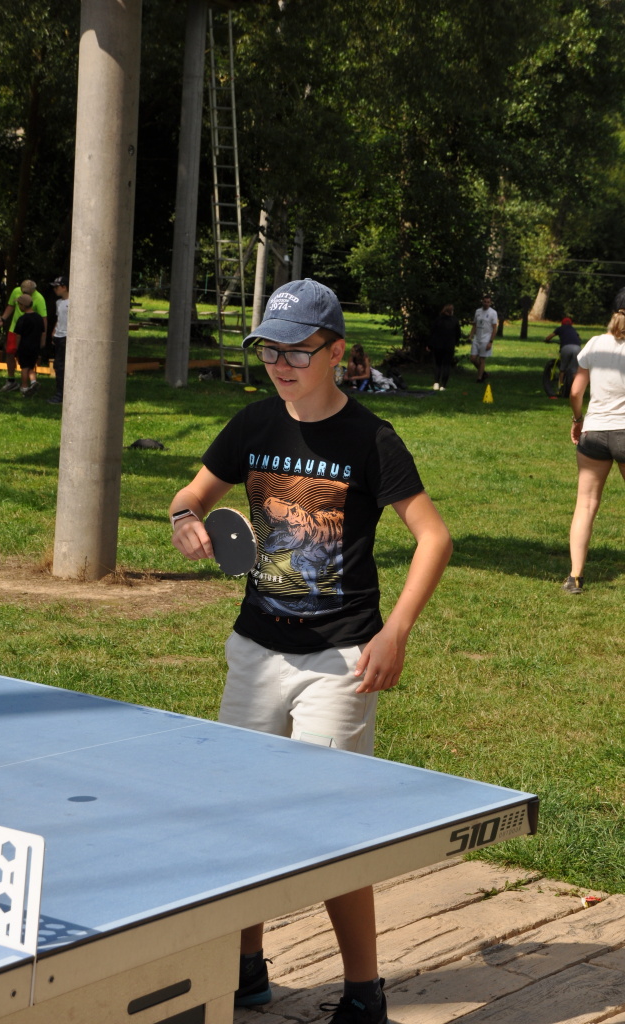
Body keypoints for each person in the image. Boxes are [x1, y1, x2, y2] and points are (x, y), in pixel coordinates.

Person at [169, 279, 452, 1024]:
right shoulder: (253, 422)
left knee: (330, 829)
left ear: (335, 352)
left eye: (297, 350)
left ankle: (364, 993)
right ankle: (246, 969)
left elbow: (434, 538)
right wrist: (184, 519)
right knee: (238, 814)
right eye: (270, 349)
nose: (281, 364)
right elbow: (190, 496)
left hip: (338, 662)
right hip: (254, 652)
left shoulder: (372, 439)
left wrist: (395, 632)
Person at [564, 307, 625, 594]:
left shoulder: (595, 343)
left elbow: (576, 392)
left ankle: (575, 577)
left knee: (586, 504)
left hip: (594, 432)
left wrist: (578, 420)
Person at [0, 280, 47, 392]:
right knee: (10, 354)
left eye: (28, 293)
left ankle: (25, 386)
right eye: (23, 292)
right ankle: (13, 381)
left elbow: (44, 319)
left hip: (28, 335)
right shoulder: (16, 291)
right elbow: (10, 306)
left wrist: (43, 338)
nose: (25, 294)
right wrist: (3, 318)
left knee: (25, 364)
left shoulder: (39, 299)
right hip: (15, 330)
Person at [14, 294, 46, 397]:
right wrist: (41, 344)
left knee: (24, 367)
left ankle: (24, 387)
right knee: (31, 366)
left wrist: (16, 348)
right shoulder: (39, 318)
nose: (19, 306)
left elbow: (18, 336)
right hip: (35, 346)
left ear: (23, 305)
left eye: (19, 304)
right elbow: (43, 332)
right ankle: (33, 382)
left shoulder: (22, 319)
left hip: (24, 347)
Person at [428, 303, 461, 390]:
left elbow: (432, 333)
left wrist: (430, 345)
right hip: (449, 346)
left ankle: (436, 382)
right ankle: (443, 385)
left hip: (438, 345)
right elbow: (458, 334)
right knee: (446, 365)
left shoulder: (438, 320)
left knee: (437, 364)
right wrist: (455, 342)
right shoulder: (454, 321)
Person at [47, 275, 69, 405]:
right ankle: (60, 393)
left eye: (57, 287)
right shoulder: (59, 302)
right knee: (58, 366)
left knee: (61, 366)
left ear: (64, 287)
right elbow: (59, 319)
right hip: (59, 337)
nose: (55, 290)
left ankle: (61, 395)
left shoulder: (73, 302)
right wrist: (54, 331)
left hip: (67, 337)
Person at [545, 316, 582, 390]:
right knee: (574, 370)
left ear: (562, 323)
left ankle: (560, 387)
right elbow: (579, 339)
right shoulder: (573, 329)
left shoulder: (560, 328)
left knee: (563, 368)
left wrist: (546, 340)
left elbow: (549, 337)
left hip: (566, 348)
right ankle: (575, 388)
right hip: (577, 348)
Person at [468, 295, 498, 382]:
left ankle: (480, 378)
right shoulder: (478, 311)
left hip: (486, 339)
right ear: (482, 301)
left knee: (482, 359)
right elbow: (474, 325)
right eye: (485, 302)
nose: (486, 304)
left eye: (488, 302)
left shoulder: (493, 313)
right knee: (473, 358)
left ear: (490, 303)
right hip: (477, 338)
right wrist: (471, 336)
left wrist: (490, 341)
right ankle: (483, 372)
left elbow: (494, 328)